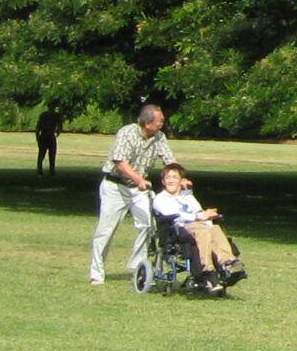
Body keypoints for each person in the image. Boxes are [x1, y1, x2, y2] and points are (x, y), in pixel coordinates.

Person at [89, 104, 182, 285]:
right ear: (148, 123)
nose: (163, 124)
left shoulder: (159, 137)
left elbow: (169, 160)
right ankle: (96, 273)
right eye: (160, 121)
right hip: (115, 187)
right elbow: (120, 162)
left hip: (139, 190)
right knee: (106, 230)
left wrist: (181, 177)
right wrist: (138, 179)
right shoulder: (127, 133)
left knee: (149, 225)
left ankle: (140, 269)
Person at [148, 165, 243, 285]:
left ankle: (229, 263)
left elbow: (198, 211)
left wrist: (208, 216)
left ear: (181, 181)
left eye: (174, 177)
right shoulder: (161, 199)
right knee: (203, 230)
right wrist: (198, 217)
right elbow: (173, 215)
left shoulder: (187, 197)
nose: (171, 180)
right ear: (163, 181)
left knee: (215, 228)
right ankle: (207, 269)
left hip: (199, 225)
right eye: (168, 178)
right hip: (178, 228)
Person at [34, 108, 63, 178]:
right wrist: (58, 133)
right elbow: (60, 125)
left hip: (44, 135)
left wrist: (37, 136)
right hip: (50, 136)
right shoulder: (56, 115)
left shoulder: (43, 115)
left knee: (41, 154)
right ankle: (51, 171)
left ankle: (40, 171)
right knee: (52, 154)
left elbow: (38, 127)